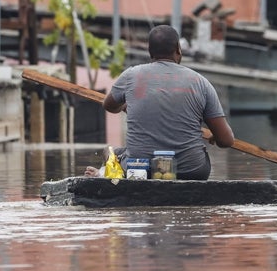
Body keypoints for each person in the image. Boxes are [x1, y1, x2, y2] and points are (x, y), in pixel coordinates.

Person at [85, 24, 235, 180]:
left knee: (111, 152)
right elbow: (226, 140)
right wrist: (216, 136)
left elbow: (109, 105)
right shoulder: (201, 82)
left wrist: (124, 106)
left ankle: (103, 174)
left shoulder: (131, 75)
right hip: (192, 170)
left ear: (150, 52)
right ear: (178, 49)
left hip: (140, 170)